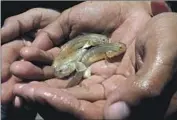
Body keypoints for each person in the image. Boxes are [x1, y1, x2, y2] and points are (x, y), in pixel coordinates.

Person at [1, 1, 177, 120]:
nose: (119, 51)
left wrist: (147, 8)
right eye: (118, 49)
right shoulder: (105, 49)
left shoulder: (109, 47)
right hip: (44, 32)